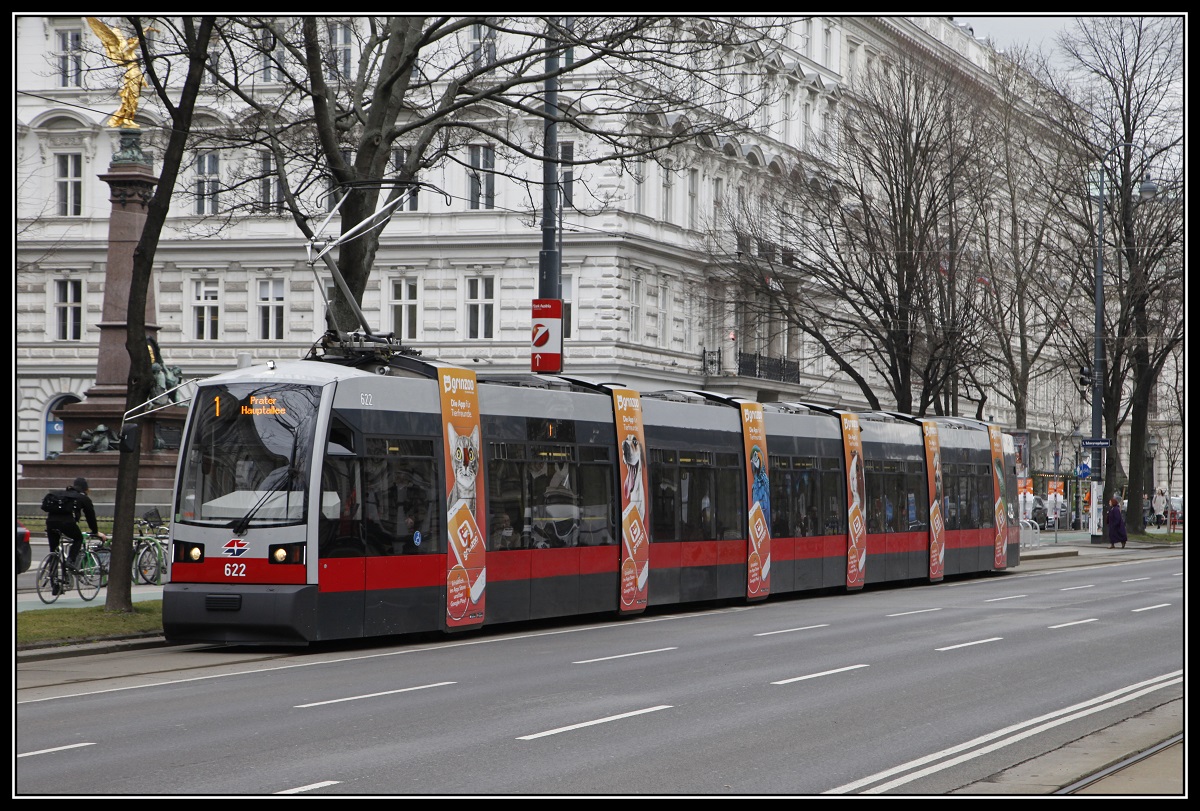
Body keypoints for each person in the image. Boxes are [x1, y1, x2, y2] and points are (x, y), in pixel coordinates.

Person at [45, 477, 107, 592]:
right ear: (86, 488)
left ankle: (54, 585)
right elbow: (90, 517)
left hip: (50, 523)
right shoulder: (83, 498)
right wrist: (95, 531)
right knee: (78, 539)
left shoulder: (62, 495)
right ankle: (71, 560)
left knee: (53, 551)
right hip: (67, 523)